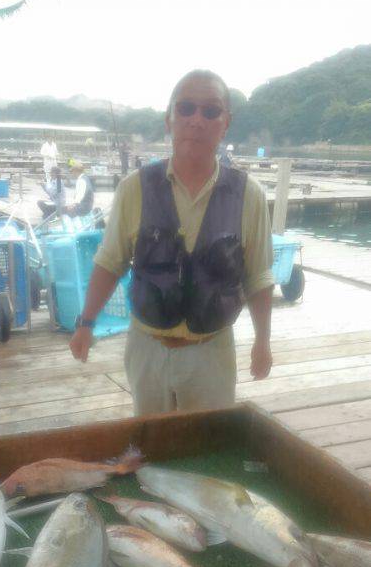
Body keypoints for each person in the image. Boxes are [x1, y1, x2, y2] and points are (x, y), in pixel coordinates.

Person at [70, 69, 274, 415]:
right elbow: (110, 262)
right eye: (186, 108)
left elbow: (259, 277)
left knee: (208, 440)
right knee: (151, 440)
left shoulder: (249, 195)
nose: (197, 120)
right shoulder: (133, 188)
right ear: (169, 119)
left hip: (213, 351)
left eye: (211, 111)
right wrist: (86, 324)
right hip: (147, 348)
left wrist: (262, 342)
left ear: (225, 123)